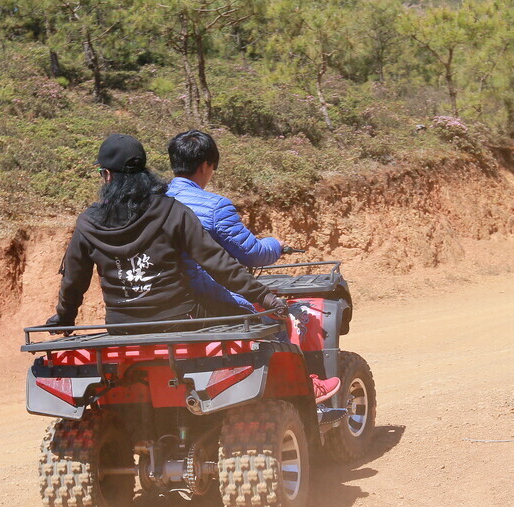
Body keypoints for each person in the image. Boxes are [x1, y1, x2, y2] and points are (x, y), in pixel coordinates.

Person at [44, 133, 341, 404]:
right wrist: (264, 298)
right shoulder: (171, 211)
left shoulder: (88, 222)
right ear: (145, 171)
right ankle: (302, 388)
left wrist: (64, 317)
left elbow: (74, 278)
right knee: (264, 326)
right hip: (181, 319)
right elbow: (219, 264)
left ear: (106, 175)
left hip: (121, 324)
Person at [166, 130, 284, 316]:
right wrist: (276, 245)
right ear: (205, 166)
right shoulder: (215, 206)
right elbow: (253, 254)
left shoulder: (154, 202)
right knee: (278, 325)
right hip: (208, 299)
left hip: (167, 300)